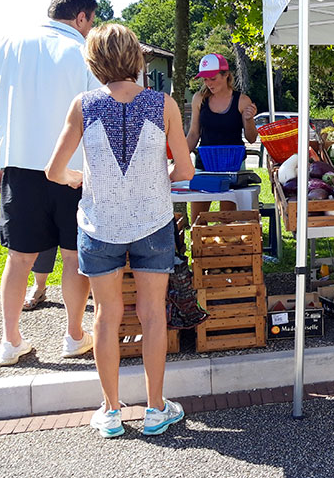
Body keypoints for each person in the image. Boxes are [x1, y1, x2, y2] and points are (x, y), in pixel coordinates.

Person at [46, 23, 194, 438]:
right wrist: (158, 175)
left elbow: (54, 171)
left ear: (94, 62)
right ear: (137, 58)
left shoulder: (83, 105)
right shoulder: (163, 104)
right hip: (153, 223)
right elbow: (184, 170)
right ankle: (155, 408)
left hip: (99, 226)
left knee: (106, 317)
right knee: (152, 316)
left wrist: (80, 178)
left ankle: (111, 411)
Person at [0, 0, 100, 366]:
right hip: (73, 170)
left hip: (19, 165)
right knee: (73, 255)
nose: (90, 28)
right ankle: (73, 335)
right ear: (81, 17)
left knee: (18, 259)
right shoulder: (85, 54)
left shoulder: (7, 43)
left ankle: (9, 340)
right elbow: (96, 116)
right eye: (90, 21)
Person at [185, 53, 259, 223]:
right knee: (198, 221)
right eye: (204, 79)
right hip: (204, 166)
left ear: (226, 75)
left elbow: (252, 138)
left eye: (212, 78)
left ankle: (223, 249)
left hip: (232, 168)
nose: (208, 83)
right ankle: (200, 250)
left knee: (227, 221)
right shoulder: (199, 99)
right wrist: (178, 158)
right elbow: (194, 134)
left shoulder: (242, 100)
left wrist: (248, 120)